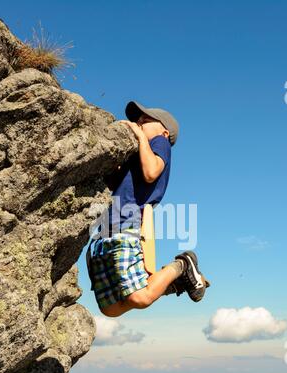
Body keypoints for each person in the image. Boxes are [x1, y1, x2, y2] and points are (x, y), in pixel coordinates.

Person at [86, 100, 210, 317]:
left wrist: (141, 136)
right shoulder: (136, 156)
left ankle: (182, 265)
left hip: (128, 225)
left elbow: (152, 172)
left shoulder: (160, 143)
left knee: (140, 297)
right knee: (110, 309)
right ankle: (174, 283)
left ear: (164, 130)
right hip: (103, 231)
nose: (139, 122)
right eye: (137, 119)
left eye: (146, 119)